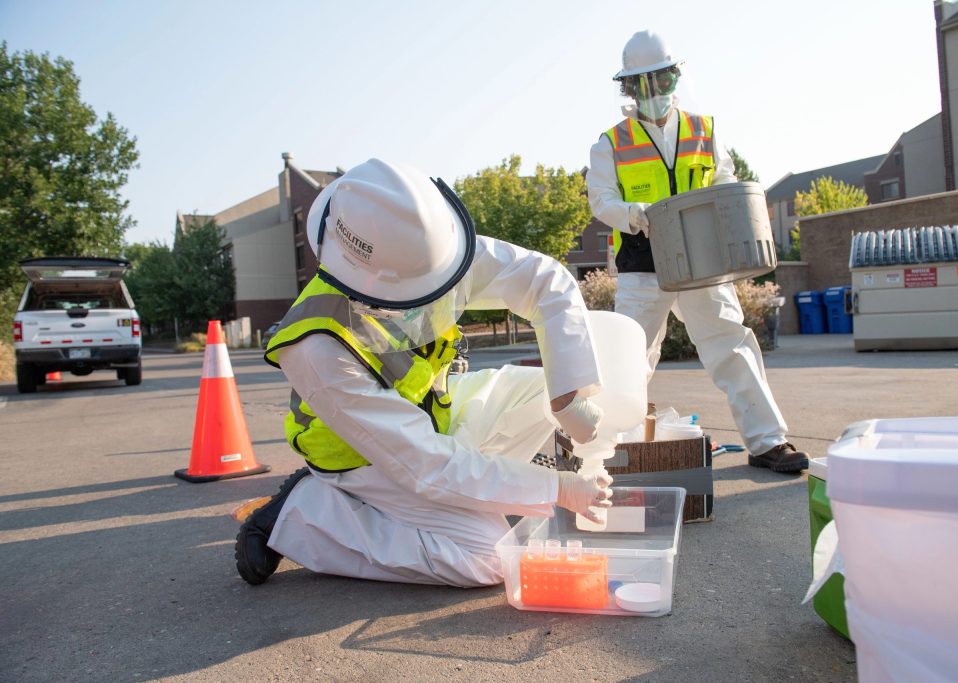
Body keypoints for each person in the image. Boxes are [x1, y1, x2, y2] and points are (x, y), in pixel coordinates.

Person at [235, 158, 615, 586]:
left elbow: (543, 279)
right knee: (490, 558)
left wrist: (568, 396)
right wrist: (555, 489)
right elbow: (423, 466)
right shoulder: (316, 346)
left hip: (434, 420)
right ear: (373, 281)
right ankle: (307, 512)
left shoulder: (425, 250)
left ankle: (476, 495)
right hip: (365, 459)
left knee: (543, 394)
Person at [586, 30, 808, 474]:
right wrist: (636, 214)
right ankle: (607, 451)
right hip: (643, 263)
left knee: (731, 346)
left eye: (660, 81)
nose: (653, 92)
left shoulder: (703, 130)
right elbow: (601, 200)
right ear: (628, 89)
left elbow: (726, 183)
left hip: (703, 263)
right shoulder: (610, 143)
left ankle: (767, 443)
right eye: (642, 84)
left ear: (673, 79)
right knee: (630, 357)